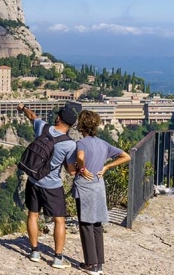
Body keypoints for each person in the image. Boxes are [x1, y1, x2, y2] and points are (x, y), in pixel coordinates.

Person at [69, 110, 131, 275]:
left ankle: (91, 264)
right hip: (98, 185)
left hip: (85, 186)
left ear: (81, 125)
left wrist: (82, 168)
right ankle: (99, 263)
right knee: (97, 224)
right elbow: (126, 156)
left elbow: (80, 156)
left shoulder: (81, 143)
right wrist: (106, 166)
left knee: (85, 224)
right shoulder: (103, 144)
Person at [17, 102, 78, 269]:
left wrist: (22, 108)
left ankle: (34, 251)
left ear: (58, 118)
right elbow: (71, 170)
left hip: (33, 180)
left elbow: (32, 116)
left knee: (33, 215)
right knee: (59, 220)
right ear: (71, 125)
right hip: (52, 185)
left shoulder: (43, 128)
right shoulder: (70, 144)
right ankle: (58, 258)